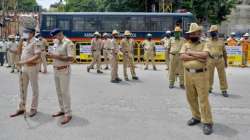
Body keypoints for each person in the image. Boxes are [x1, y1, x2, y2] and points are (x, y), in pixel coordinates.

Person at [180, 23, 213, 135]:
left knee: (203, 99)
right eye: (191, 33)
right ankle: (196, 116)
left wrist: (190, 53)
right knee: (191, 97)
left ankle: (207, 122)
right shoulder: (185, 44)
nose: (193, 35)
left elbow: (205, 56)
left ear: (199, 33)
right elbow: (182, 57)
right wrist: (196, 56)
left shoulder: (205, 43)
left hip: (201, 75)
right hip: (188, 74)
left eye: (195, 33)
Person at [10, 18, 41, 118]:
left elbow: (37, 56)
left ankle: (33, 108)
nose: (25, 34)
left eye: (26, 33)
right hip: (24, 68)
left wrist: (23, 62)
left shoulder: (36, 42)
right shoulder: (24, 42)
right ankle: (21, 107)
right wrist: (21, 41)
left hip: (32, 67)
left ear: (32, 33)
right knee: (22, 88)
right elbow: (18, 52)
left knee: (34, 89)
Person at [47, 28, 74, 125]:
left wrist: (56, 57)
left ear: (61, 34)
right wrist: (50, 55)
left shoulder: (68, 43)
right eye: (54, 36)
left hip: (64, 70)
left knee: (64, 92)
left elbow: (71, 58)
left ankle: (68, 114)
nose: (54, 38)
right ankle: (62, 109)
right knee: (59, 91)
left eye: (56, 35)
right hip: (56, 70)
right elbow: (55, 53)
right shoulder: (56, 42)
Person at [207, 25, 229, 97]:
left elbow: (225, 52)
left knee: (222, 75)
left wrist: (226, 62)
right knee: (209, 75)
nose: (212, 33)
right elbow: (205, 52)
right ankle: (209, 88)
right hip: (210, 59)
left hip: (220, 60)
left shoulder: (221, 41)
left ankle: (224, 90)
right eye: (211, 32)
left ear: (217, 32)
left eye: (214, 32)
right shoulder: (207, 41)